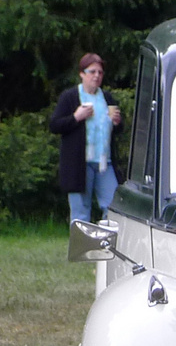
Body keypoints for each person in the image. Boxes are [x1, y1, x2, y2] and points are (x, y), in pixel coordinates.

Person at [50, 53, 123, 222]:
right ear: (82, 73)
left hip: (105, 163)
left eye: (100, 72)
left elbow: (119, 130)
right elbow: (54, 125)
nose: (97, 76)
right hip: (79, 164)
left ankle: (106, 247)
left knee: (113, 210)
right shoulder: (70, 97)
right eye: (92, 72)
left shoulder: (106, 97)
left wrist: (117, 122)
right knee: (81, 213)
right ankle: (81, 249)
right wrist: (76, 117)